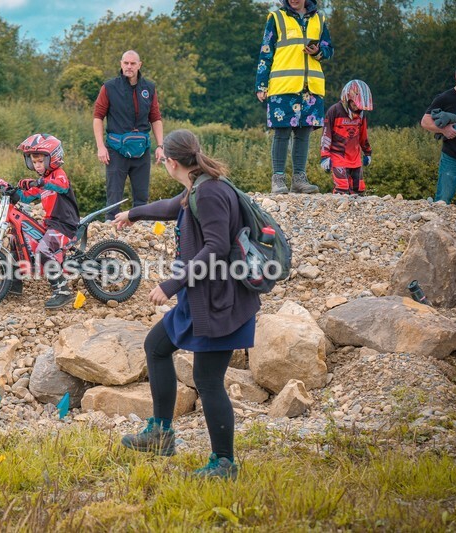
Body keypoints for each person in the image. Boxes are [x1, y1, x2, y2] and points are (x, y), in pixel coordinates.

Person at [113, 129, 261, 480]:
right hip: (200, 298)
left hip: (219, 303)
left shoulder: (209, 193)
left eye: (162, 157)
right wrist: (133, 214)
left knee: (207, 381)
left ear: (172, 162)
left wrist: (171, 284)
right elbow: (173, 207)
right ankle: (160, 434)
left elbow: (216, 248)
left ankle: (224, 463)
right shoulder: (200, 186)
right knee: (157, 347)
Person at [255, 0, 333, 194]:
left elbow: (329, 49)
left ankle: (299, 179)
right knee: (282, 132)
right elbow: (266, 52)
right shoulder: (276, 18)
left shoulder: (319, 19)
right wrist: (261, 84)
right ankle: (278, 179)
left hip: (311, 86)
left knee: (304, 132)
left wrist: (318, 52)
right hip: (283, 85)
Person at [93, 50, 164, 220]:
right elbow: (98, 117)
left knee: (142, 196)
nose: (129, 67)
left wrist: (160, 146)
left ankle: (140, 230)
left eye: (133, 63)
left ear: (139, 65)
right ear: (121, 64)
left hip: (142, 149)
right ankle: (110, 233)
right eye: (126, 63)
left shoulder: (149, 88)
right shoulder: (109, 87)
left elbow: (155, 118)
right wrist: (100, 146)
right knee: (114, 197)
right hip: (116, 150)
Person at [15, 133, 80, 309]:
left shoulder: (59, 175)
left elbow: (60, 185)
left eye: (40, 161)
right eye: (33, 162)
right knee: (19, 241)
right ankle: (12, 283)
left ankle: (63, 291)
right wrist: (10, 190)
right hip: (51, 224)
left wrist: (39, 182)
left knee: (43, 250)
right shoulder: (43, 183)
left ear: (53, 158)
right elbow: (26, 197)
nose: (37, 165)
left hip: (65, 225)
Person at [320, 80, 374, 195]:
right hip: (338, 155)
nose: (356, 108)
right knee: (342, 188)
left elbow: (363, 136)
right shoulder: (334, 111)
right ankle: (339, 210)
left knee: (359, 189)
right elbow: (326, 134)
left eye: (359, 106)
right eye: (354, 104)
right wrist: (325, 156)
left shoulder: (362, 114)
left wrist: (368, 152)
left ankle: (357, 212)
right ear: (347, 99)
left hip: (355, 157)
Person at [420, 65, 456, 204]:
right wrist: (443, 130)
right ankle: (437, 225)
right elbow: (425, 121)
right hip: (452, 157)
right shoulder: (445, 98)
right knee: (442, 201)